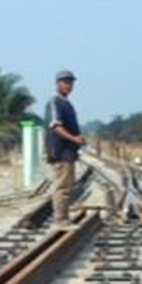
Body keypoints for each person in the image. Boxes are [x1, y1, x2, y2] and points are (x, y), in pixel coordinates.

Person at [45, 70, 85, 227]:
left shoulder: (66, 103)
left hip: (68, 152)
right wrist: (74, 138)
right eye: (65, 82)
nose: (69, 86)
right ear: (58, 84)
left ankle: (64, 217)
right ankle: (61, 219)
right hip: (61, 152)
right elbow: (56, 127)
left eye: (70, 83)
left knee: (68, 186)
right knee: (62, 186)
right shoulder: (55, 102)